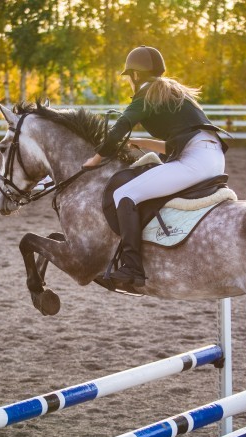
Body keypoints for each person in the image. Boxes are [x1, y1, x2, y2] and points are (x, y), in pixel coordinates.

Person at [83, 45, 228, 287]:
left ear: (136, 75)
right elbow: (177, 142)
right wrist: (140, 142)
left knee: (124, 193)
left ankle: (132, 268)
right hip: (212, 157)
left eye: (129, 76)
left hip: (195, 160)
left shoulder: (146, 92)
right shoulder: (173, 93)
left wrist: (95, 159)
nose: (129, 81)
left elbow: (120, 125)